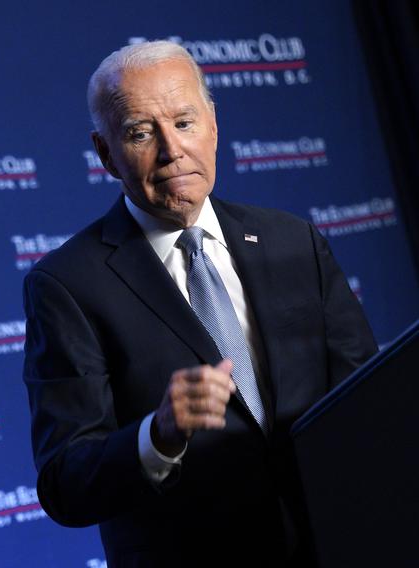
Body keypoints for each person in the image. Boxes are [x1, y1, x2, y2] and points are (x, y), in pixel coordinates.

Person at [22, 41, 377, 567]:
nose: (172, 150)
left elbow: (364, 399)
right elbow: (64, 482)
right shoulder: (67, 284)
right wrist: (158, 435)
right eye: (141, 133)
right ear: (105, 153)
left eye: (184, 123)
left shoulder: (292, 241)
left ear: (212, 124)